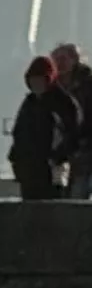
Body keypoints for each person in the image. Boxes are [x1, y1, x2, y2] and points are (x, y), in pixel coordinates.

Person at [9, 56, 79, 201]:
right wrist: (15, 158)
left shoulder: (63, 103)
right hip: (29, 169)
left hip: (52, 168)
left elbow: (72, 135)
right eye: (33, 81)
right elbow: (19, 132)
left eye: (40, 80)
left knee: (53, 208)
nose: (36, 85)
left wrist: (57, 157)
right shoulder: (29, 103)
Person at [51, 43, 92, 198]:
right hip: (64, 149)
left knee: (79, 192)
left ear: (75, 60)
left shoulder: (87, 85)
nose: (60, 64)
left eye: (63, 59)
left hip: (85, 148)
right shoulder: (53, 88)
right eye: (56, 60)